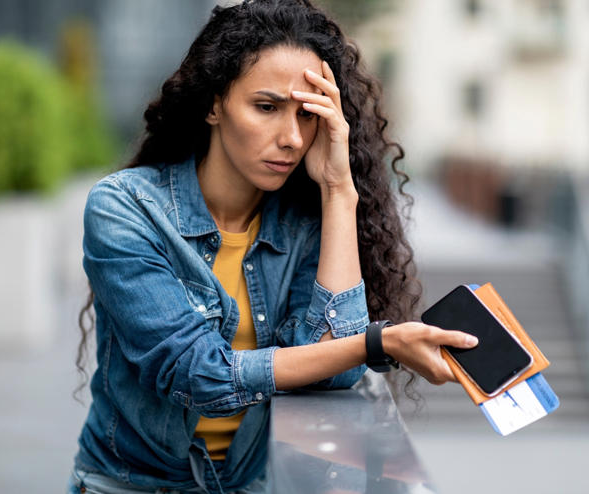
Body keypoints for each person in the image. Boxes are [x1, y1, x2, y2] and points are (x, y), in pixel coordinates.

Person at [68, 1, 478, 493]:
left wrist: (338, 192)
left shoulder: (303, 221)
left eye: (307, 115)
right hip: (130, 485)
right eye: (266, 107)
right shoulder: (127, 209)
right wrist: (379, 342)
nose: (291, 138)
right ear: (214, 104)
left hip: (248, 484)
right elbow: (198, 375)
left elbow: (331, 371)